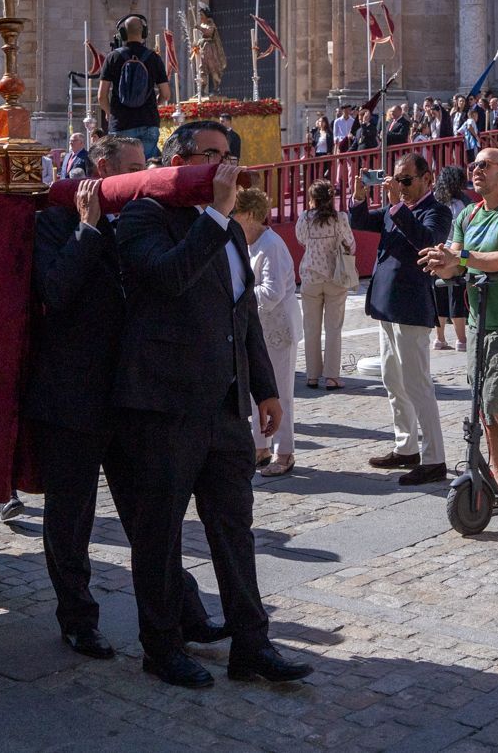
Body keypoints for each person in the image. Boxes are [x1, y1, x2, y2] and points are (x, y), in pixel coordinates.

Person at [109, 120, 311, 687]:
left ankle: (252, 644)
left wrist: (265, 388)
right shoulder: (148, 215)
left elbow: (240, 312)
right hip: (164, 404)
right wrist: (219, 216)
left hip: (223, 408)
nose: (223, 167)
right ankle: (163, 645)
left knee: (234, 530)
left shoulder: (224, 230)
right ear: (177, 160)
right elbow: (165, 279)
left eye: (229, 158)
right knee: (160, 533)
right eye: (209, 156)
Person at [26, 134, 225, 661]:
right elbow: (57, 292)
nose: (143, 178)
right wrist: (89, 228)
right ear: (102, 170)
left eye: (147, 168)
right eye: (133, 169)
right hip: (71, 397)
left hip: (130, 393)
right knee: (71, 517)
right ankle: (78, 619)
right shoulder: (57, 224)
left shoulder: (143, 222)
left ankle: (185, 611)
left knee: (149, 517)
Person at [417, 147, 498, 489]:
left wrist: (464, 257)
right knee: (484, 408)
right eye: (474, 164)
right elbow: (455, 261)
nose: (475, 170)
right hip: (477, 320)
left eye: (485, 165)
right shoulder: (468, 215)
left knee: (496, 398)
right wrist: (440, 260)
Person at [349, 155, 453, 487]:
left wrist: (397, 206)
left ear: (427, 178)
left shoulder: (437, 211)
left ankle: (434, 457)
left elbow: (425, 240)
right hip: (387, 304)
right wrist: (359, 195)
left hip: (411, 306)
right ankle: (405, 446)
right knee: (393, 380)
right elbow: (362, 221)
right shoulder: (397, 211)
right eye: (396, 179)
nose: (400, 186)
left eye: (406, 180)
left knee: (417, 383)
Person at [233, 188, 300, 476]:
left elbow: (272, 292)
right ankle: (261, 446)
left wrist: (238, 297)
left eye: (234, 212)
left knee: (280, 391)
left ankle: (284, 452)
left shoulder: (271, 244)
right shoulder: (246, 243)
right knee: (255, 390)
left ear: (248, 214)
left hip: (277, 329)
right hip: (257, 328)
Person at [295, 180, 354, 390]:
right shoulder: (340, 218)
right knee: (333, 329)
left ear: (312, 199)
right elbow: (351, 244)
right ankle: (331, 376)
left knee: (311, 329)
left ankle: (312, 375)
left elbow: (301, 240)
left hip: (310, 276)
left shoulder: (304, 218)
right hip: (335, 276)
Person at [97, 15, 172, 162]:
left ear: (123, 33)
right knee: (147, 168)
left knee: (123, 169)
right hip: (148, 122)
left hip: (121, 123)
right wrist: (157, 102)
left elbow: (101, 96)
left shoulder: (112, 57)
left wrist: (109, 112)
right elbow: (166, 93)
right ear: (144, 32)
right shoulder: (153, 58)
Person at [431, 166, 471, 352]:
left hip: (436, 252)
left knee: (438, 295)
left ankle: (439, 339)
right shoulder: (464, 204)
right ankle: (461, 340)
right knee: (457, 293)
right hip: (457, 253)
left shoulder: (435, 202)